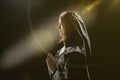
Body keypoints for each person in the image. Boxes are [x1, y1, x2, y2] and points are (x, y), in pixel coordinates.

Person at [46, 11, 91, 80]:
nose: (58, 27)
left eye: (61, 24)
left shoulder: (75, 54)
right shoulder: (62, 50)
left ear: (68, 26)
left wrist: (54, 71)